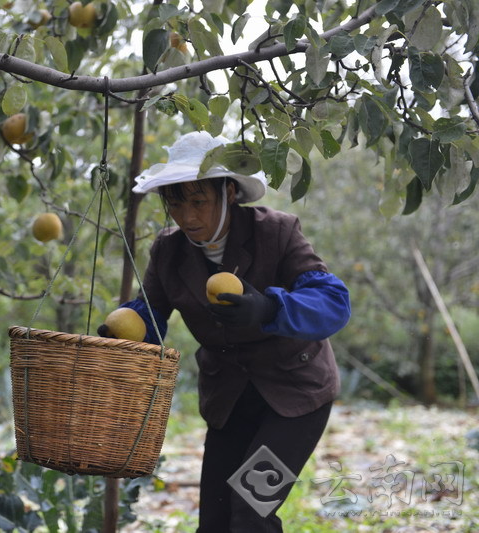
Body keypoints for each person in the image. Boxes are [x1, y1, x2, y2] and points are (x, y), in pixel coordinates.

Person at [98, 131, 351, 532]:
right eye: (176, 202)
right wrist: (127, 328)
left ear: (229, 192)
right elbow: (151, 312)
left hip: (296, 396)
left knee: (251, 510)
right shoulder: (168, 251)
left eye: (198, 201)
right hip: (229, 397)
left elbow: (333, 302)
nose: (187, 216)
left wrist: (269, 307)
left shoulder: (277, 232)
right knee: (214, 521)